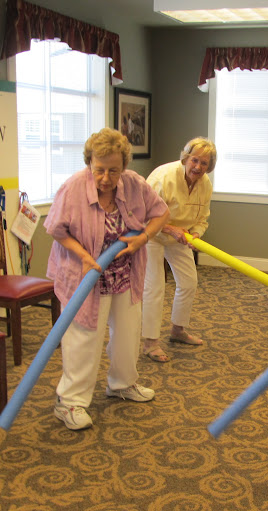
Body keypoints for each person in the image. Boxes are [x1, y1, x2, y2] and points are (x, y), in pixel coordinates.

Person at [44, 128, 170, 431]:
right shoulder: (73, 188)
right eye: (99, 169)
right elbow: (55, 229)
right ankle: (70, 402)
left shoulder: (134, 185)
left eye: (113, 170)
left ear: (123, 166)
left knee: (128, 332)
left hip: (124, 272)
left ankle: (122, 384)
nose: (105, 177)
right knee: (83, 337)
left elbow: (161, 213)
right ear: (90, 162)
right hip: (84, 275)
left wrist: (144, 238)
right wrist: (85, 256)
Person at [141, 137, 217, 362]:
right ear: (185, 157)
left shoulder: (205, 185)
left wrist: (195, 234)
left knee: (188, 282)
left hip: (179, 237)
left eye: (204, 163)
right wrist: (169, 228)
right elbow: (143, 215)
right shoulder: (163, 177)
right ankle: (150, 343)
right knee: (155, 286)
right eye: (195, 160)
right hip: (151, 235)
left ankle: (177, 330)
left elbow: (202, 218)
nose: (198, 167)